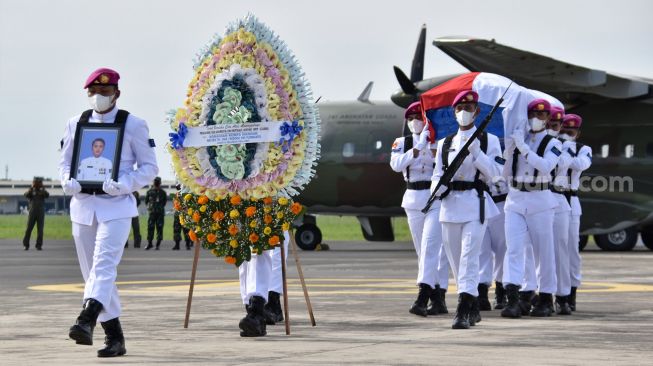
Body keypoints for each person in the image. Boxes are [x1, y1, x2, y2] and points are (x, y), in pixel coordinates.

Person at [59, 67, 158, 357]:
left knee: (103, 267)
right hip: (83, 206)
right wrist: (67, 181)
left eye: (105, 92)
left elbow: (151, 168)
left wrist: (125, 184)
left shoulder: (134, 124)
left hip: (116, 206)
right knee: (93, 274)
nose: (99, 97)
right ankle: (115, 337)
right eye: (95, 92)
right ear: (88, 93)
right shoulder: (75, 123)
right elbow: (64, 162)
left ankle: (86, 318)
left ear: (117, 93)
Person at [432, 90, 501, 329]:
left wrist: (478, 154)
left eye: (469, 107)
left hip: (475, 203)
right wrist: (437, 188)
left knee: (469, 257)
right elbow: (437, 174)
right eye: (460, 107)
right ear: (454, 111)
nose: (464, 112)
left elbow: (496, 174)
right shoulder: (445, 143)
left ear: (477, 112)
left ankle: (462, 309)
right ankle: (471, 306)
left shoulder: (489, 141)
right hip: (450, 205)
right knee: (454, 260)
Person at [501, 98, 562, 319]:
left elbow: (546, 166)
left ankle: (546, 297)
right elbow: (505, 174)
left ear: (547, 119)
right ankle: (515, 297)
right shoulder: (518, 141)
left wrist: (523, 148)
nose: (537, 119)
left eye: (542, 115)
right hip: (516, 199)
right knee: (515, 249)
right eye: (534, 115)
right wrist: (509, 150)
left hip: (540, 201)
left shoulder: (553, 143)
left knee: (543, 252)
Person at [390, 101, 448, 317]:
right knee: (422, 251)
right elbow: (396, 165)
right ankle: (437, 298)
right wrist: (418, 148)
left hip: (434, 197)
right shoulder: (402, 142)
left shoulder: (438, 141)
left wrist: (431, 147)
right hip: (413, 198)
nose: (414, 122)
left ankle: (428, 295)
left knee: (432, 247)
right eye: (411, 118)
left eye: (418, 117)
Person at [560, 114, 592, 311]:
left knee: (571, 250)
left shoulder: (583, 149)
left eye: (570, 132)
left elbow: (580, 165)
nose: (566, 134)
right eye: (563, 130)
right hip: (551, 199)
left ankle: (571, 293)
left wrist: (564, 149)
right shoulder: (551, 146)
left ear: (578, 133)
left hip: (570, 201)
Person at [22, 177, 49, 250]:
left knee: (40, 230)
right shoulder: (31, 191)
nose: (37, 184)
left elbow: (47, 195)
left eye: (39, 182)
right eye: (36, 182)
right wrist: (31, 188)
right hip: (32, 212)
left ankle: (39, 245)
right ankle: (26, 245)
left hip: (40, 212)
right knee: (28, 229)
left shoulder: (42, 191)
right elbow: (25, 195)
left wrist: (43, 188)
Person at [144, 177, 167, 250]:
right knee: (150, 228)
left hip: (159, 213)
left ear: (159, 183)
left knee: (159, 228)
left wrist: (157, 208)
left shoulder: (163, 192)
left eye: (157, 182)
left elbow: (164, 202)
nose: (156, 183)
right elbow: (146, 201)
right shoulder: (149, 192)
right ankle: (150, 243)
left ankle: (158, 245)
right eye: (155, 182)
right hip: (152, 213)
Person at [172, 186, 192, 250]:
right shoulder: (177, 194)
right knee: (179, 230)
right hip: (179, 214)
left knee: (185, 230)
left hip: (182, 214)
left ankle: (186, 244)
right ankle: (180, 244)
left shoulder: (185, 194)